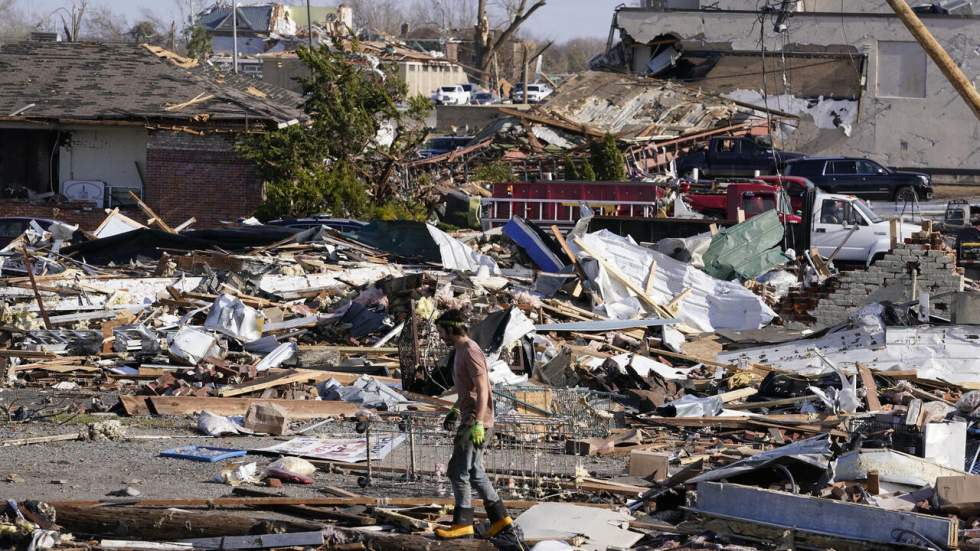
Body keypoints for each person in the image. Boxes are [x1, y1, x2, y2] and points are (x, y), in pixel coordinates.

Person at [433, 309, 514, 541]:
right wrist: (455, 409)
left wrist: (478, 422)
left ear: (451, 329)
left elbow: (483, 389)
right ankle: (500, 519)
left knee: (458, 470)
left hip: (476, 421)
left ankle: (463, 524)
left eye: (442, 332)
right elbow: (466, 390)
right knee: (475, 470)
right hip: (470, 416)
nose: (441, 337)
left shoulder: (470, 351)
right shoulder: (459, 350)